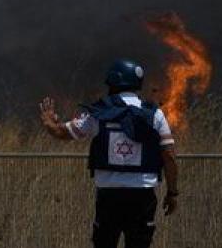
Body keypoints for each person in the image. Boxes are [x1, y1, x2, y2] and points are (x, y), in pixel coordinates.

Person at [39, 59, 179, 248]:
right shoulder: (155, 114)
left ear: (112, 82)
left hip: (108, 196)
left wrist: (49, 122)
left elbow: (62, 133)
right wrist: (172, 192)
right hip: (142, 196)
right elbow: (169, 156)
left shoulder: (99, 112)